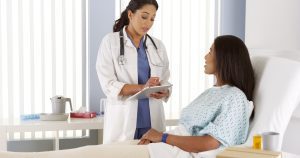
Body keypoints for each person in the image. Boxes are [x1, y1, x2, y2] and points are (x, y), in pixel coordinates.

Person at [0, 35, 255, 158]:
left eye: (211, 51)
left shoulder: (234, 98)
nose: (205, 55)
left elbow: (212, 143)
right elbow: (109, 83)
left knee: (86, 155)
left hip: (171, 151)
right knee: (90, 151)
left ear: (225, 58)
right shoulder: (213, 92)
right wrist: (160, 138)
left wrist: (163, 136)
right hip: (162, 146)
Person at [96, 0, 171, 144]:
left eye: (152, 19)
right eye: (144, 16)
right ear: (130, 14)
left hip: (152, 122)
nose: (148, 23)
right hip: (123, 121)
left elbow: (165, 79)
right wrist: (143, 88)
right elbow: (108, 85)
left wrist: (164, 91)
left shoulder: (158, 46)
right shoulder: (110, 42)